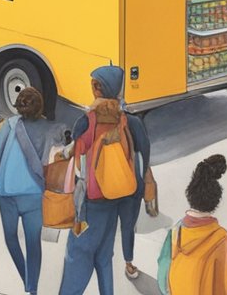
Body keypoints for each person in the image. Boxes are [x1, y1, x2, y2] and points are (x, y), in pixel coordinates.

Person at [60, 65, 152, 295]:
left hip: (92, 201)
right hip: (117, 196)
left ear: (97, 89)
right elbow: (144, 156)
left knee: (78, 256)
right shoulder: (130, 121)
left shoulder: (86, 121)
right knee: (104, 257)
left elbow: (76, 156)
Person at [0, 87, 62, 295]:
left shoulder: (9, 126)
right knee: (33, 242)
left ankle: (26, 280)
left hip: (7, 192)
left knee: (10, 237)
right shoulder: (48, 127)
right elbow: (63, 137)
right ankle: (33, 288)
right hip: (34, 193)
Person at [158, 155, 227, 295]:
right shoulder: (220, 237)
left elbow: (163, 270)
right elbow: (223, 282)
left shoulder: (176, 230)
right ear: (216, 202)